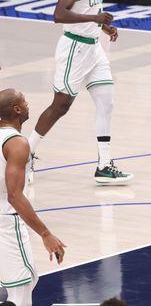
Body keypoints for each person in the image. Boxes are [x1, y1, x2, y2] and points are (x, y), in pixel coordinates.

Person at [29, 0, 133, 184]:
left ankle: (104, 165)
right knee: (60, 106)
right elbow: (59, 15)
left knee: (106, 103)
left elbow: (91, 11)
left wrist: (104, 26)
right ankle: (27, 152)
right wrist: (97, 18)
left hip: (93, 49)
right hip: (74, 48)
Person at [0, 88, 67, 306]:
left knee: (27, 280)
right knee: (22, 289)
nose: (28, 104)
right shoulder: (17, 143)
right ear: (17, 109)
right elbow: (14, 196)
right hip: (6, 222)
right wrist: (46, 234)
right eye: (25, 101)